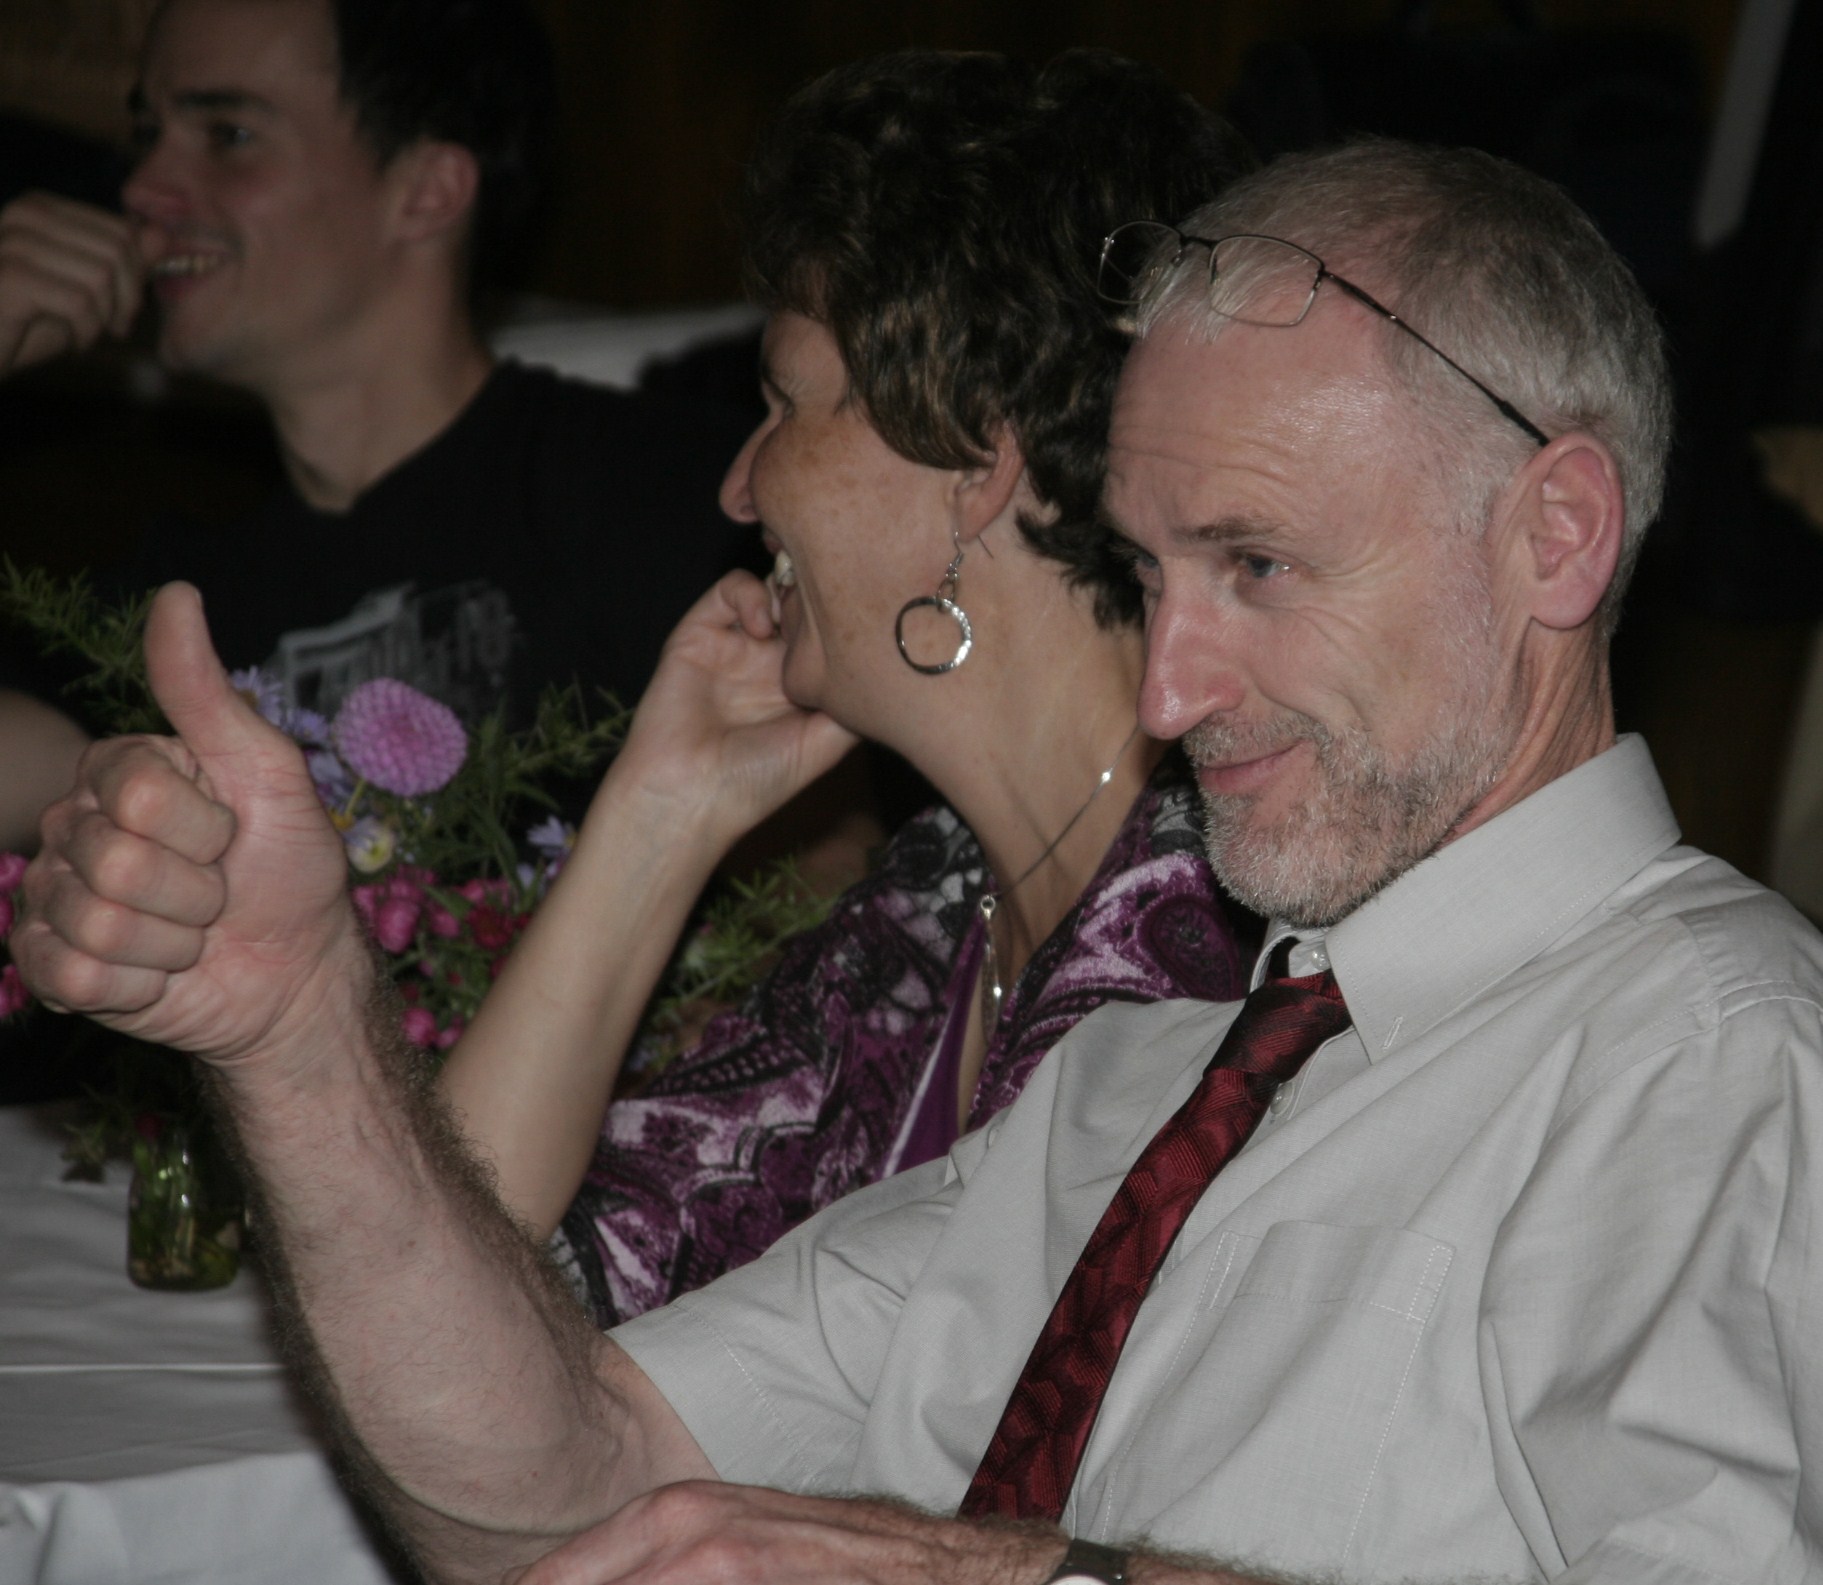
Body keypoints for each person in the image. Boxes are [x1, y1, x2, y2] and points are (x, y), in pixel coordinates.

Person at [20, 136, 1823, 1585]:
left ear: (1552, 534)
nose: (1169, 688)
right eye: (1151, 575)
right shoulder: (1137, 1085)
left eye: (1256, 564)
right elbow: (564, 1486)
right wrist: (298, 1031)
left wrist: (1005, 1578)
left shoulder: (1708, 1052)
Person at [433, 50, 1254, 1325]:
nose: (738, 488)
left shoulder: (1203, 954)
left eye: (782, 405)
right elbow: (455, 1291)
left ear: (973, 455)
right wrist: (656, 820)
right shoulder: (932, 915)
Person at [0, 0, 754, 849]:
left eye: (228, 135)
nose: (141, 188)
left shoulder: (684, 494)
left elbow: (816, 886)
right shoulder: (173, 603)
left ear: (426, 192)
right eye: (149, 134)